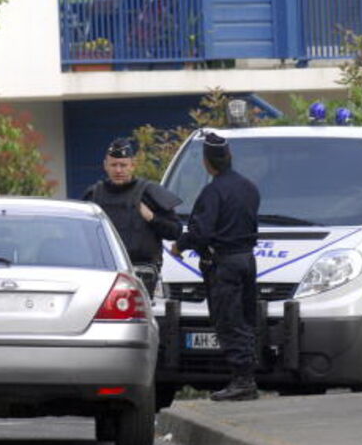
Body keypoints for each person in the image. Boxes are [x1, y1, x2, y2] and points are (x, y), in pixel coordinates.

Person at [171, 131, 261, 401]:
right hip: (247, 259)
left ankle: (242, 381)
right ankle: (247, 377)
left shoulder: (213, 192)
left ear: (206, 162)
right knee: (245, 319)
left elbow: (201, 232)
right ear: (229, 156)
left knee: (228, 320)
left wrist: (180, 245)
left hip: (224, 264)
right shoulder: (249, 187)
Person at [82, 138, 182, 284]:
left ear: (132, 165)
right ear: (105, 166)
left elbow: (175, 231)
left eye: (123, 165)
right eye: (114, 165)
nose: (118, 170)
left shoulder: (148, 193)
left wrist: (152, 218)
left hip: (142, 273)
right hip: (104, 272)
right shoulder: (94, 195)